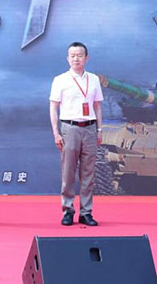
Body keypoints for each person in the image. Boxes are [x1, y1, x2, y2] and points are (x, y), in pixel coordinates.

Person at [49, 42, 103, 226]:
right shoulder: (60, 80)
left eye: (79, 55)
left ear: (86, 58)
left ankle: (86, 212)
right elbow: (53, 107)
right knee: (68, 172)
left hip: (90, 128)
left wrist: (99, 130)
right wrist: (56, 133)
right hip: (69, 128)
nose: (76, 59)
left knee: (88, 173)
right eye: (72, 56)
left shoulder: (93, 79)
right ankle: (68, 210)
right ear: (67, 58)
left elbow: (97, 106)